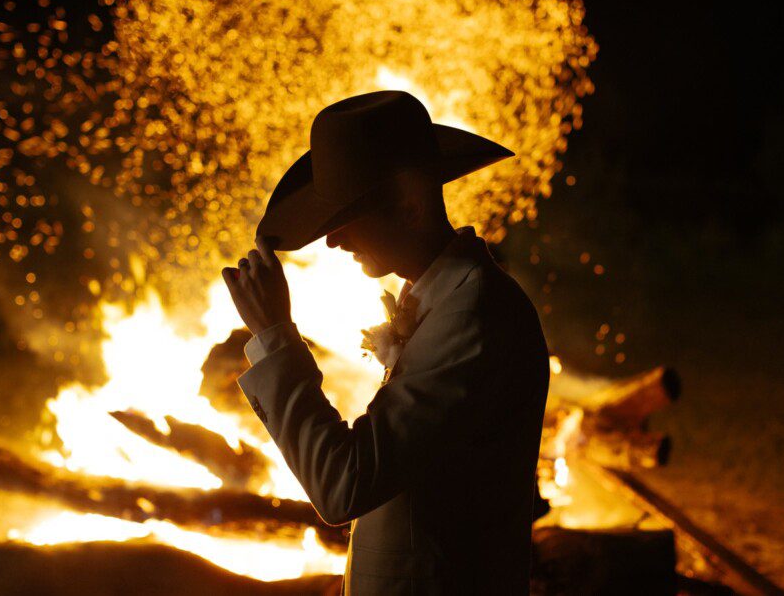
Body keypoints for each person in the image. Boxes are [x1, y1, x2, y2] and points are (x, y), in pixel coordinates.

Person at [223, 90, 549, 595]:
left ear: (411, 209)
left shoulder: (472, 315)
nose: (333, 240)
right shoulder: (446, 299)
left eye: (347, 218)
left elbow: (343, 484)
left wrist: (274, 337)